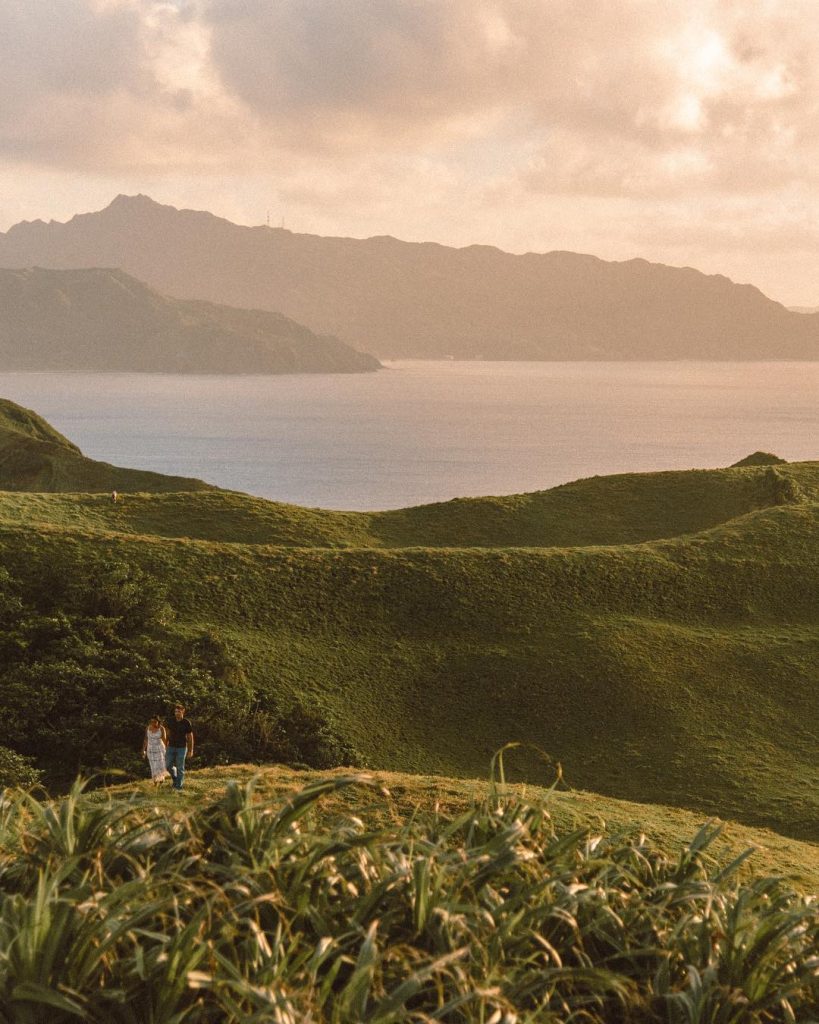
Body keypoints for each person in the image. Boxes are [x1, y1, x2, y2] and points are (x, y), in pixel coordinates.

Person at [165, 703, 194, 791]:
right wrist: (165, 745)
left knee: (180, 767)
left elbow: (190, 737)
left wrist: (190, 750)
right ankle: (175, 778)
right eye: (176, 711)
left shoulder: (186, 722)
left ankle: (178, 787)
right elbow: (167, 734)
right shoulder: (171, 721)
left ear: (183, 712)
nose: (177, 713)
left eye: (179, 711)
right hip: (171, 746)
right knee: (168, 766)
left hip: (182, 747)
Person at [142, 715, 169, 785]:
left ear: (158, 722)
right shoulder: (148, 728)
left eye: (155, 722)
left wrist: (167, 750)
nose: (153, 723)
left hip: (160, 749)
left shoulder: (162, 729)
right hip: (150, 750)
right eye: (151, 722)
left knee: (160, 765)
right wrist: (143, 750)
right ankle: (155, 781)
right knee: (153, 765)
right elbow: (146, 739)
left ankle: (161, 780)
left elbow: (164, 740)